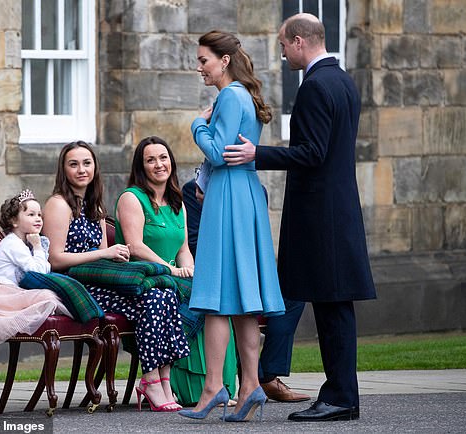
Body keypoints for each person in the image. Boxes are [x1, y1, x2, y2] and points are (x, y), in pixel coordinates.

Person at [223, 13, 377, 421]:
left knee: (331, 310)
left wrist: (259, 154)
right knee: (335, 308)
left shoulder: (314, 86)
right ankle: (341, 394)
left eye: (282, 45)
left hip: (320, 218)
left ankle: (340, 397)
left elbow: (313, 154)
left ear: (299, 41)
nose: (281, 53)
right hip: (338, 212)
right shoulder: (343, 81)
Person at [178, 30, 285, 423]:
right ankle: (250, 385)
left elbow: (219, 154)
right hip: (243, 194)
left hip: (229, 197)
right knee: (240, 297)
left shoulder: (229, 95)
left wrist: (196, 126)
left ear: (223, 60)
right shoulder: (244, 95)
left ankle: (213, 388)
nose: (200, 67)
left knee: (217, 295)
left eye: (204, 60)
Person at [42, 140, 188, 412]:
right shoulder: (58, 205)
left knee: (164, 292)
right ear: (64, 170)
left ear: (95, 168)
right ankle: (151, 380)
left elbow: (103, 257)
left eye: (87, 163)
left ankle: (162, 379)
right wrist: (103, 254)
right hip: (74, 284)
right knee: (152, 299)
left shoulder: (94, 206)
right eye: (73, 164)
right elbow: (55, 259)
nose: (82, 170)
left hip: (97, 279)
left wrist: (112, 256)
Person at [115, 136, 238, 408]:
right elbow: (134, 246)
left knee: (215, 295)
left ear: (171, 161)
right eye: (150, 160)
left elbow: (183, 248)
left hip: (174, 276)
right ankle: (189, 387)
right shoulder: (132, 198)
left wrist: (192, 269)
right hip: (147, 277)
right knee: (192, 300)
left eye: (163, 157)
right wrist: (170, 268)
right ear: (141, 166)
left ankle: (217, 384)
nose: (159, 164)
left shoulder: (176, 202)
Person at [182, 177, 309, 403]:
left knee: (293, 295)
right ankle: (242, 383)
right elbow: (194, 240)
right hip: (215, 268)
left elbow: (257, 239)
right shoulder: (195, 190)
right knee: (233, 299)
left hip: (248, 268)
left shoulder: (256, 190)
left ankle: (267, 374)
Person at [0, 189, 72, 344]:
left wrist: (36, 247)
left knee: (52, 294)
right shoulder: (12, 243)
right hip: (1, 295)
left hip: (11, 292)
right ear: (14, 221)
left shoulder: (23, 243)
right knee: (48, 297)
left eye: (39, 215)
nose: (38, 219)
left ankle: (77, 320)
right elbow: (39, 271)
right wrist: (37, 247)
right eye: (31, 214)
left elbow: (44, 270)